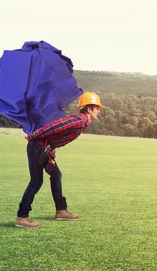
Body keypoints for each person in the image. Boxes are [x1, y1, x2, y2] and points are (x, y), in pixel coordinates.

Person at [15, 92, 103, 228]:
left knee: (56, 175)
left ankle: (61, 211)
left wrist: (50, 151)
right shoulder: (79, 120)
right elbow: (56, 126)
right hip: (37, 146)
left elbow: (56, 135)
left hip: (44, 149)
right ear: (89, 109)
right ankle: (22, 216)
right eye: (97, 108)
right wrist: (33, 136)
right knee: (36, 181)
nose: (99, 111)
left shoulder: (82, 122)